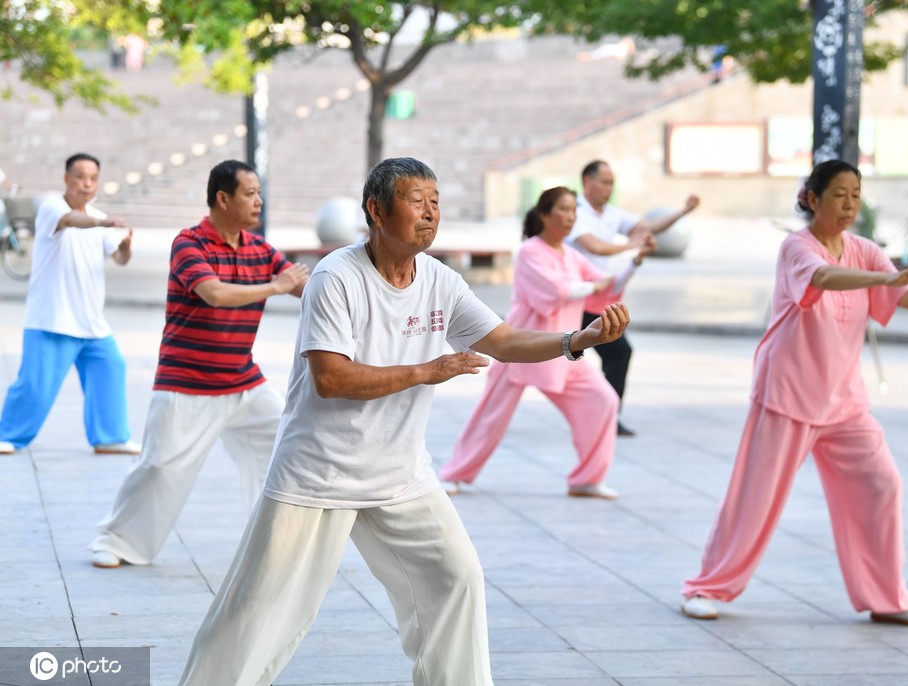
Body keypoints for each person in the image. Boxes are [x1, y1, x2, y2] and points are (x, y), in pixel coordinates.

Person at [176, 158, 631, 686]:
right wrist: (428, 370)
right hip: (317, 474)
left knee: (455, 580)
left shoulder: (439, 280)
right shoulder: (335, 277)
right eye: (418, 201)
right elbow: (331, 378)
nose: (430, 213)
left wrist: (576, 341)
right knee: (257, 614)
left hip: (400, 476)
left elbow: (503, 340)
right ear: (376, 209)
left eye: (436, 203)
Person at [679, 159, 908, 627]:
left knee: (881, 484)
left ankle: (887, 597)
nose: (849, 204)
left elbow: (903, 293)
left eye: (856, 195)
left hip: (844, 401)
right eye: (839, 194)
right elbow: (823, 278)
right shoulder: (796, 248)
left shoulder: (863, 249)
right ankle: (706, 587)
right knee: (755, 497)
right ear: (813, 199)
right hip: (788, 393)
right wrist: (885, 279)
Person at [89, 160, 309, 569]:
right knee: (159, 468)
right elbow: (214, 293)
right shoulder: (189, 243)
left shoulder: (260, 249)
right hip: (185, 382)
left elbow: (308, 289)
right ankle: (117, 540)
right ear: (222, 198)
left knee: (289, 444)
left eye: (260, 192)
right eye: (250, 193)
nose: (259, 201)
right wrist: (277, 286)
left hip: (243, 381)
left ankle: (278, 542)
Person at [440, 186, 653, 499]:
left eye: (573, 211)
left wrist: (635, 262)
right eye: (563, 210)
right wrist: (592, 285)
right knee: (490, 417)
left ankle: (586, 478)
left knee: (604, 401)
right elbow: (553, 291)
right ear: (543, 214)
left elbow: (606, 290)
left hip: (564, 349)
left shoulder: (572, 256)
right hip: (520, 346)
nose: (570, 217)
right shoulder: (530, 251)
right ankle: (454, 474)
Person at [0, 153, 140, 456]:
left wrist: (126, 246)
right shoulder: (53, 208)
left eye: (92, 178)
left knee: (111, 367)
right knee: (34, 386)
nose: (86, 184)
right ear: (67, 178)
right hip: (51, 319)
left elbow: (119, 258)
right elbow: (71, 220)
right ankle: (7, 435)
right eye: (80, 177)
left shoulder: (100, 217)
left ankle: (110, 437)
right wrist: (102, 222)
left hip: (91, 323)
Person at [569, 159, 699, 436]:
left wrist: (682, 211)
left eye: (612, 183)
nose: (608, 188)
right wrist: (635, 244)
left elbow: (647, 226)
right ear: (587, 182)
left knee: (616, 353)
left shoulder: (612, 214)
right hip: (572, 299)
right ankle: (602, 416)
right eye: (604, 182)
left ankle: (606, 417)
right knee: (554, 361)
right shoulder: (574, 212)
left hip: (598, 300)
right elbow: (598, 247)